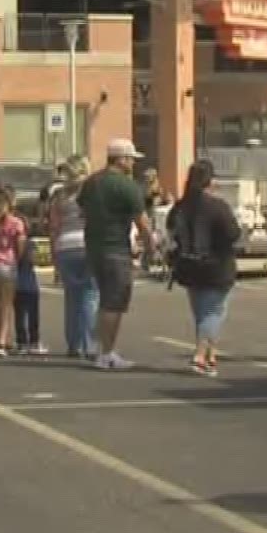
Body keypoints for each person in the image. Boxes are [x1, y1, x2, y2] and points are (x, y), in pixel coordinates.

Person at [79, 139, 155, 370]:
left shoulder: (92, 182)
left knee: (104, 300)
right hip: (116, 249)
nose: (133, 163)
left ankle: (100, 348)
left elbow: (83, 209)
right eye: (131, 159)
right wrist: (151, 248)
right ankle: (107, 353)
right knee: (115, 302)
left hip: (94, 247)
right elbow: (142, 222)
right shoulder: (126, 186)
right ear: (121, 159)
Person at [167, 159, 242, 376]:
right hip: (217, 266)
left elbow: (170, 230)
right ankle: (200, 355)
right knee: (214, 312)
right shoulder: (217, 206)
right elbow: (233, 234)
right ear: (211, 181)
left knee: (201, 311)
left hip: (188, 265)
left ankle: (210, 355)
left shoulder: (181, 206)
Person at [49, 155, 98, 360]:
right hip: (87, 244)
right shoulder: (92, 191)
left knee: (72, 297)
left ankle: (73, 344)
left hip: (64, 246)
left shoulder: (59, 194)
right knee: (90, 295)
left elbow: (54, 226)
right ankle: (90, 345)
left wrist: (54, 256)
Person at [0, 185, 27, 356]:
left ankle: (3, 338)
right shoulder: (16, 223)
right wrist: (18, 257)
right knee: (7, 304)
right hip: (8, 263)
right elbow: (20, 245)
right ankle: (1, 340)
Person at [14, 213, 45, 355]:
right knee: (33, 315)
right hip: (30, 285)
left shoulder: (12, 244)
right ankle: (34, 341)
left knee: (19, 315)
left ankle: (21, 342)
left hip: (16, 282)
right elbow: (33, 260)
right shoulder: (29, 243)